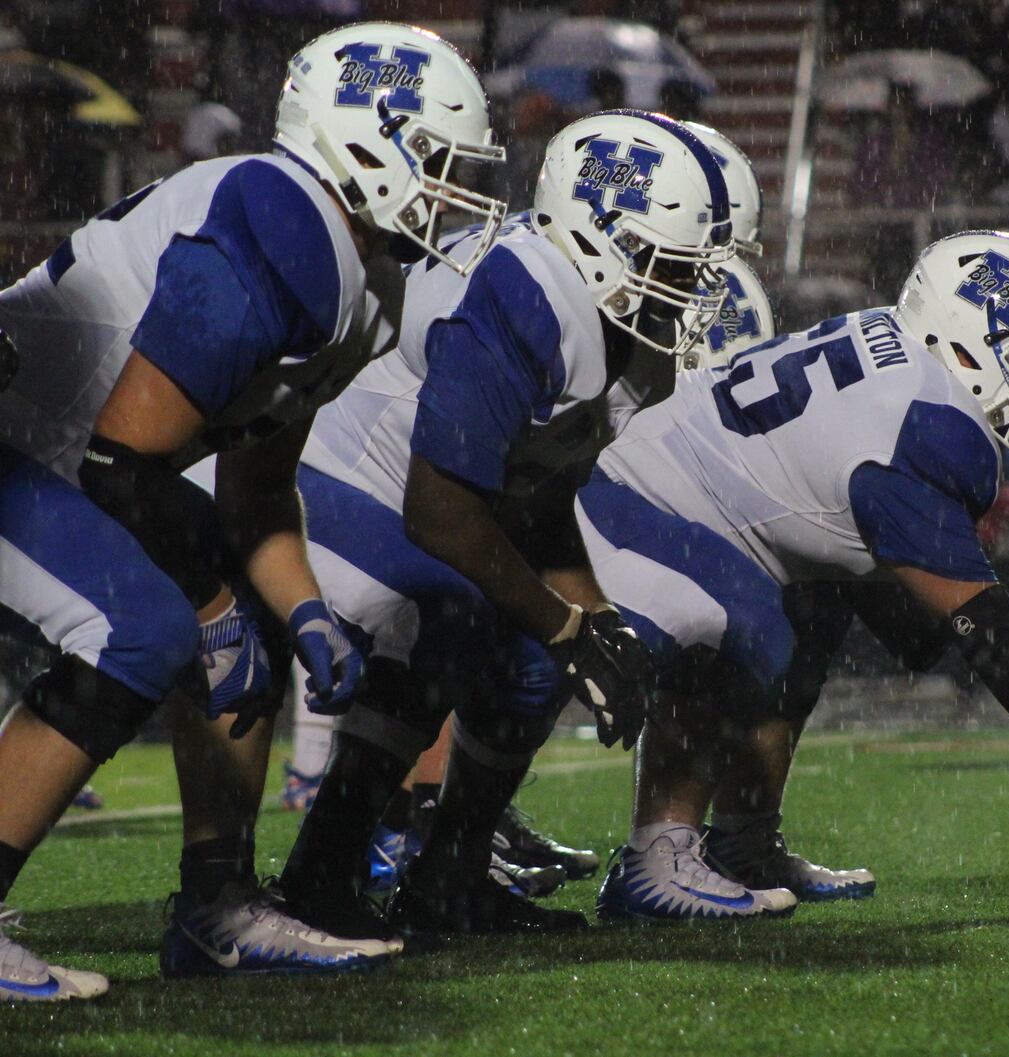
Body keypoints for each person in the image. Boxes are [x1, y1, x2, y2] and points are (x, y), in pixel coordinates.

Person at [0, 21, 505, 998]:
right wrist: (213, 606)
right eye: (436, 161)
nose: (453, 192)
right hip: (30, 435)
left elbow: (254, 489)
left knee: (240, 615)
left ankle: (217, 907)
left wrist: (304, 611)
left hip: (62, 445)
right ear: (364, 143)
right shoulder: (285, 218)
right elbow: (123, 461)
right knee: (139, 628)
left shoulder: (364, 280)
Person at [577, 230, 1009, 922]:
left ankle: (742, 840)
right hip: (632, 509)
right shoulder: (929, 423)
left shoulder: (894, 349)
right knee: (743, 621)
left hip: (670, 494)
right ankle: (654, 856)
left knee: (812, 613)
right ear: (971, 351)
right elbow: (987, 629)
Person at [267, 109, 737, 938]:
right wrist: (566, 625)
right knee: (451, 615)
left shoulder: (613, 326)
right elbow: (441, 509)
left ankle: (450, 874)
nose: (691, 290)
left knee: (530, 660)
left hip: (408, 479)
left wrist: (593, 620)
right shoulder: (532, 294)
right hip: (334, 463)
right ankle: (318, 871)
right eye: (674, 263)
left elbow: (537, 492)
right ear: (605, 240)